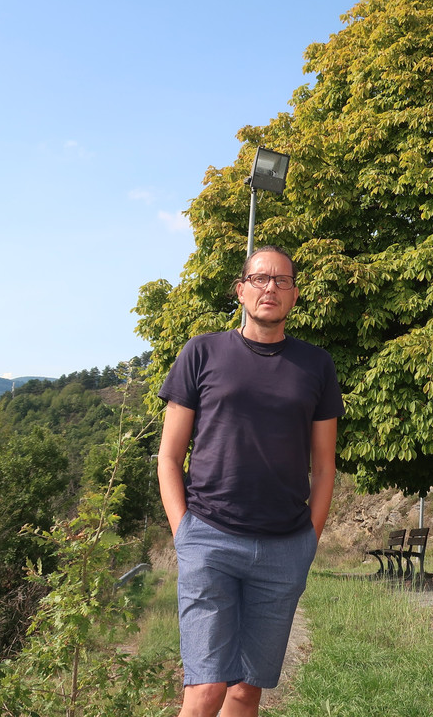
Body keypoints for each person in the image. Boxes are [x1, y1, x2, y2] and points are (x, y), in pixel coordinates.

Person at [157, 245, 343, 717]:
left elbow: (324, 466)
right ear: (241, 290)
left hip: (284, 547)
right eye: (260, 278)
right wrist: (184, 533)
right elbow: (170, 456)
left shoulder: (316, 365)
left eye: (282, 280)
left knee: (246, 690)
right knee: (205, 689)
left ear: (295, 296)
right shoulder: (202, 351)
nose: (270, 288)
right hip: (209, 537)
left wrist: (309, 540)